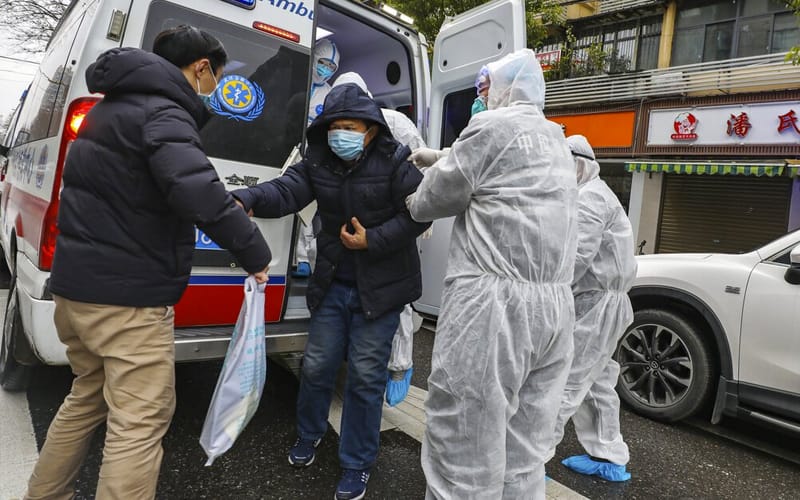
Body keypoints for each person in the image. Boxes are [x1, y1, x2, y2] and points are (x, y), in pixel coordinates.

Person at [24, 26, 270, 500]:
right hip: (128, 300)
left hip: (76, 292)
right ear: (202, 68)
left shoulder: (108, 109)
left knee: (86, 397)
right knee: (139, 422)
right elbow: (200, 192)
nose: (214, 89)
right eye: (216, 78)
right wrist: (255, 254)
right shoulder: (164, 113)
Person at [232, 83, 430, 500]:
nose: (341, 133)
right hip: (334, 283)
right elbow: (286, 190)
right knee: (318, 365)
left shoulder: (395, 160)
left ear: (371, 129)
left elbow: (419, 215)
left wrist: (372, 240)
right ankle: (309, 433)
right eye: (334, 126)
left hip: (381, 291)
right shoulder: (319, 157)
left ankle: (357, 463)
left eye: (350, 126)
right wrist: (247, 197)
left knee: (364, 377)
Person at [405, 49, 578, 500]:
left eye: (484, 90)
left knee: (463, 445)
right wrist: (441, 154)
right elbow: (502, 168)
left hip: (493, 310)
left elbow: (435, 199)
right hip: (554, 313)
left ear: (505, 89)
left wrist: (413, 195)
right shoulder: (555, 138)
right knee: (524, 454)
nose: (480, 100)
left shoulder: (489, 127)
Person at [545, 134, 637, 482]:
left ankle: (527, 464)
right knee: (596, 381)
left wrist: (546, 295)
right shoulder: (587, 195)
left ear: (580, 165)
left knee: (565, 382)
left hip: (597, 305)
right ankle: (609, 455)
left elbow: (575, 258)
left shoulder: (590, 199)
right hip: (596, 302)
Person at [331, 71, 425, 406]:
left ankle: (399, 367)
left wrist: (412, 219)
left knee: (393, 299)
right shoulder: (334, 126)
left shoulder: (396, 124)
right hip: (354, 226)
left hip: (394, 221)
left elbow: (419, 175)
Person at [294, 38, 342, 278]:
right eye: (323, 63)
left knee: (306, 208)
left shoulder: (329, 94)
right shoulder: (294, 79)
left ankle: (303, 259)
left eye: (332, 68)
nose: (326, 70)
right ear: (314, 58)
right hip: (286, 151)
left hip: (311, 157)